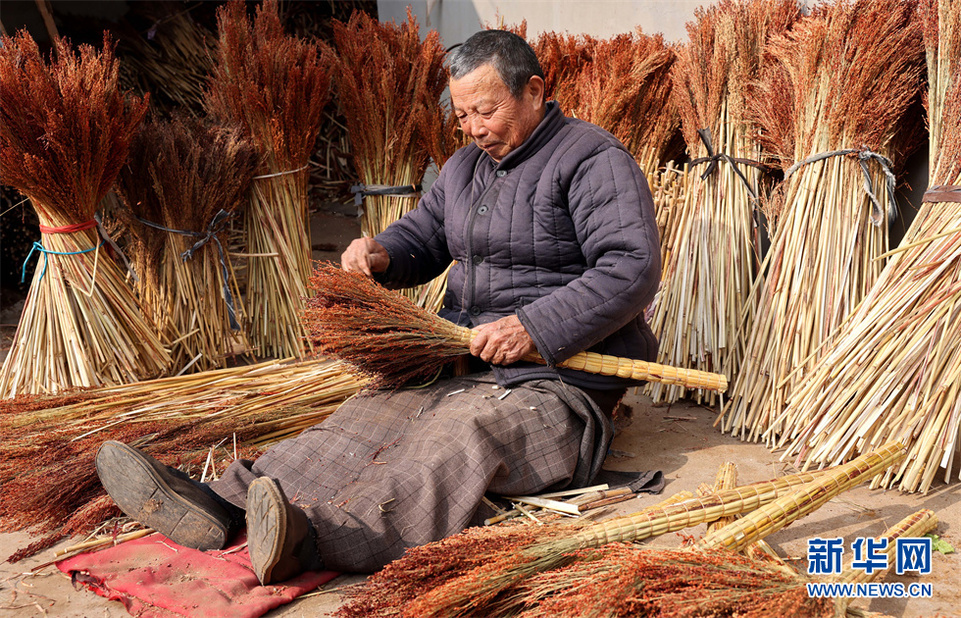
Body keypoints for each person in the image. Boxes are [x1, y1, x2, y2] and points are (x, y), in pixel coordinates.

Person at [96, 29, 660, 585]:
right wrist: (383, 252)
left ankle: (310, 539)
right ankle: (223, 504)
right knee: (364, 418)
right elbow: (428, 234)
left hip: (555, 381)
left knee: (458, 436)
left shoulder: (592, 160)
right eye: (462, 116)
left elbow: (630, 266)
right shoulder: (465, 168)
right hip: (461, 356)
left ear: (534, 91)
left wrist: (532, 327)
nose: (474, 128)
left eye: (485, 110)